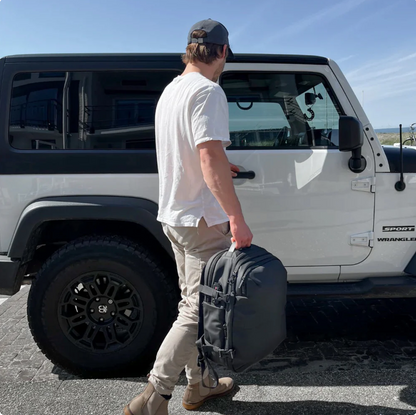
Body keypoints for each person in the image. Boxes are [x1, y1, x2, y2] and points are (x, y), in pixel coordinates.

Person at [124, 19, 253, 415]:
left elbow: (191, 151)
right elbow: (207, 156)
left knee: (190, 304)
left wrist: (218, 164)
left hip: (174, 214)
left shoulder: (172, 90)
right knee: (198, 310)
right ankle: (154, 396)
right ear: (222, 52)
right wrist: (236, 217)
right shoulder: (209, 91)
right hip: (201, 219)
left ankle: (199, 386)